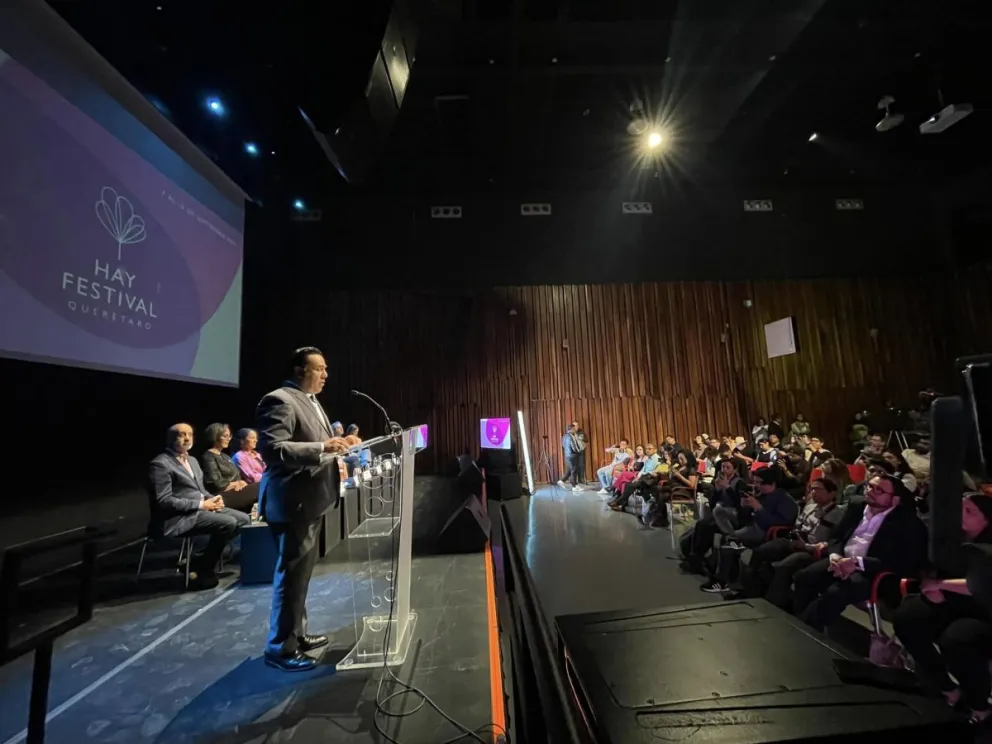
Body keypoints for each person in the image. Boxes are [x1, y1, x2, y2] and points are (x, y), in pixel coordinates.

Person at [255, 346, 350, 672]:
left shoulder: (309, 400)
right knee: (291, 576)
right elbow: (273, 449)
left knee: (300, 576)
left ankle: (297, 633)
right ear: (299, 370)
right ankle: (280, 648)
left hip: (309, 499)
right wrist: (323, 446)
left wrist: (338, 445)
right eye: (319, 369)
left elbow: (317, 444)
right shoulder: (279, 400)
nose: (325, 375)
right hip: (292, 501)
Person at [893, 493, 992, 725]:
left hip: (984, 611)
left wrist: (939, 585)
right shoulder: (950, 537)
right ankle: (945, 686)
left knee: (957, 639)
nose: (960, 515)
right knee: (908, 616)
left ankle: (979, 703)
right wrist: (932, 583)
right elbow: (930, 566)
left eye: (970, 511)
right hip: (951, 601)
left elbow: (980, 585)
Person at [792, 474, 928, 632]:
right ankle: (805, 624)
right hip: (841, 559)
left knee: (834, 594)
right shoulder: (857, 505)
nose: (870, 491)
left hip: (872, 571)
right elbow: (836, 537)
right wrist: (835, 555)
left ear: (895, 499)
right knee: (804, 577)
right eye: (870, 486)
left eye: (879, 490)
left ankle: (804, 631)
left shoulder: (908, 523)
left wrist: (857, 563)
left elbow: (901, 561)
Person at [148, 423, 250, 590]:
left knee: (243, 519)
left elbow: (201, 490)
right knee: (228, 523)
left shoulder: (192, 460)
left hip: (200, 508)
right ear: (170, 439)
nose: (187, 438)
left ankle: (198, 561)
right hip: (178, 517)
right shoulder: (161, 464)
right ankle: (204, 570)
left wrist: (214, 499)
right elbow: (164, 501)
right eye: (181, 435)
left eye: (190, 434)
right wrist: (201, 504)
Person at [201, 423, 257, 512]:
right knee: (260, 486)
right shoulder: (208, 457)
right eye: (225, 436)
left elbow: (237, 476)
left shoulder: (226, 456)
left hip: (234, 492)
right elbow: (214, 483)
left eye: (229, 436)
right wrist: (234, 484)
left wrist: (240, 482)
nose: (228, 439)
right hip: (220, 496)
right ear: (215, 436)